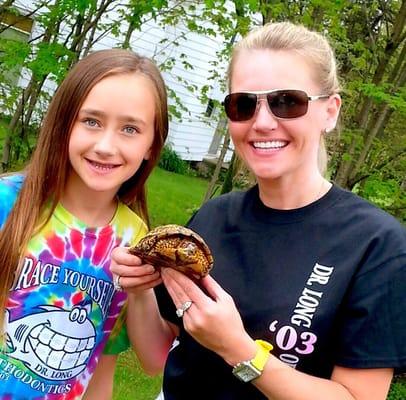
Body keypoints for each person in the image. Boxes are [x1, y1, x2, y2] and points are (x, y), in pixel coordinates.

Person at [111, 22, 406, 400]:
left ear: (329, 112)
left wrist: (238, 349)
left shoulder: (376, 245)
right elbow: (155, 356)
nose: (262, 122)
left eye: (287, 101)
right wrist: (139, 290)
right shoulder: (213, 219)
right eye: (244, 104)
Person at [0, 48, 168, 399]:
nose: (106, 146)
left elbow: (109, 365)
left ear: (152, 144)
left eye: (130, 129)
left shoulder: (134, 240)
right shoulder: (7, 204)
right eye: (91, 121)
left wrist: (140, 290)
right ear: (65, 124)